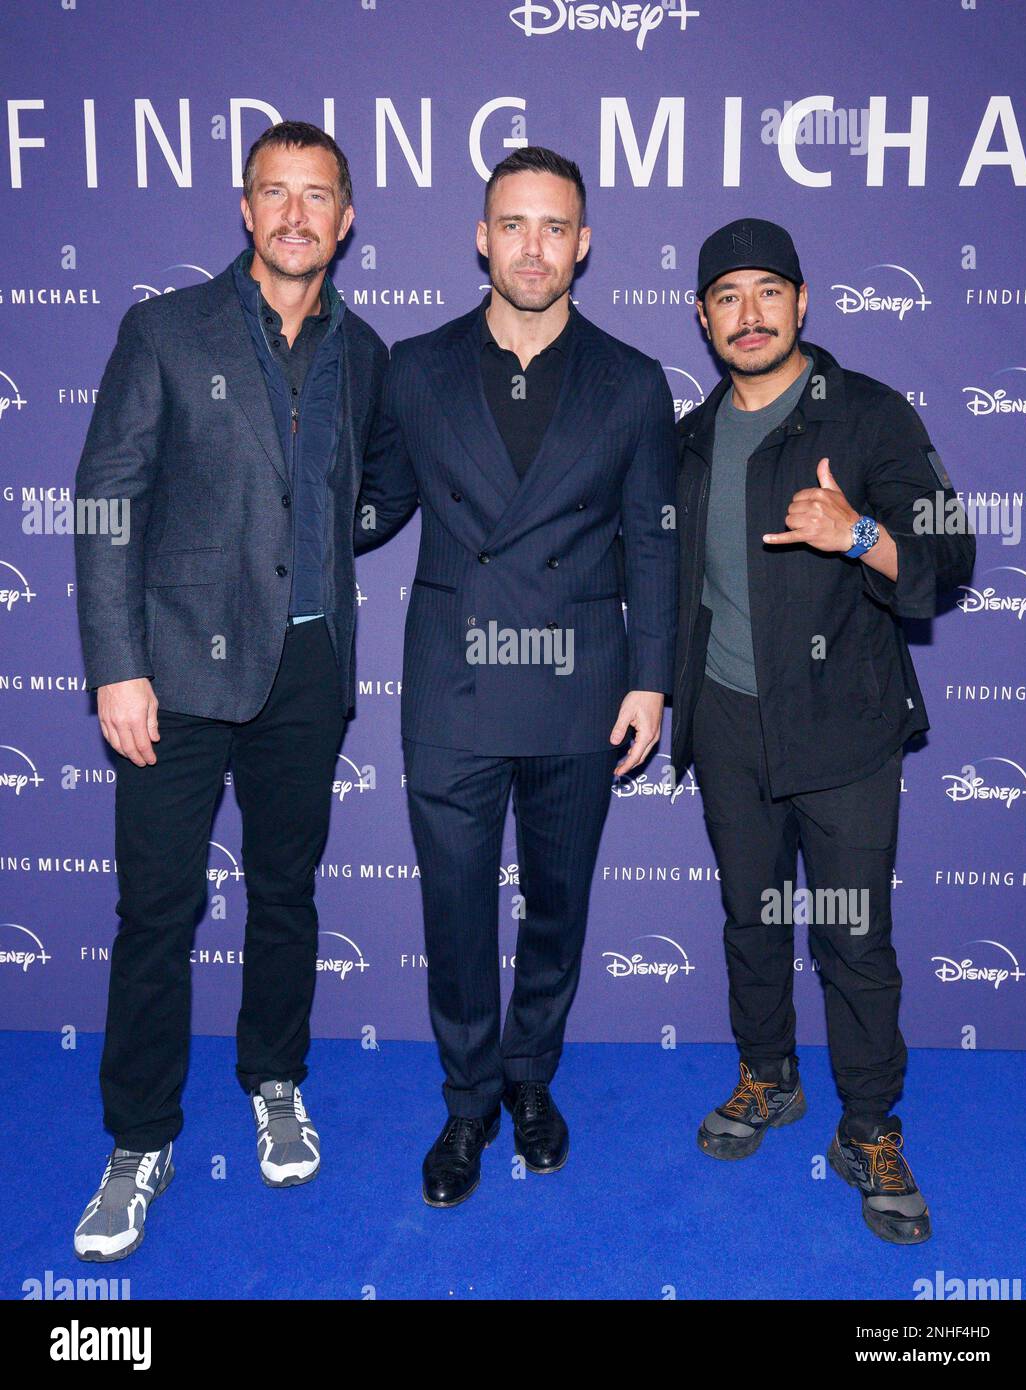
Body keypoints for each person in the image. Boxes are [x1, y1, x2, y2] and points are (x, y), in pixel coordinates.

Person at [71, 121, 411, 1262]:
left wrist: (324, 551)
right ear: (244, 207)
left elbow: (373, 484)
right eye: (277, 192)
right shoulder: (165, 329)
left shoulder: (363, 353)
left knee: (286, 892)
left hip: (307, 667)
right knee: (157, 913)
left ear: (346, 218)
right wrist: (116, 663)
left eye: (319, 196)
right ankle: (139, 1138)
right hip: (173, 670)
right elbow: (108, 500)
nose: (297, 214)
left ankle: (274, 1076)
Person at [371, 147, 677, 1207]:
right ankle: (468, 1102)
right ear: (480, 236)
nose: (532, 246)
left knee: (555, 905)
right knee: (455, 910)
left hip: (578, 686)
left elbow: (652, 538)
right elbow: (370, 500)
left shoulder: (632, 381)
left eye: (554, 227)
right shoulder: (411, 367)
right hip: (451, 686)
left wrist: (651, 681)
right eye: (513, 224)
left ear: (582, 244)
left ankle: (530, 1078)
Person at [670, 218, 975, 1245]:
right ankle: (767, 1079)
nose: (747, 314)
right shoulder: (691, 435)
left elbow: (950, 552)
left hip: (842, 731)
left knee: (852, 938)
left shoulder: (868, 416)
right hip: (724, 722)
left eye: (767, 292)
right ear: (703, 317)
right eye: (726, 296)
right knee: (749, 922)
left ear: (801, 303)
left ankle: (869, 1127)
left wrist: (855, 533)